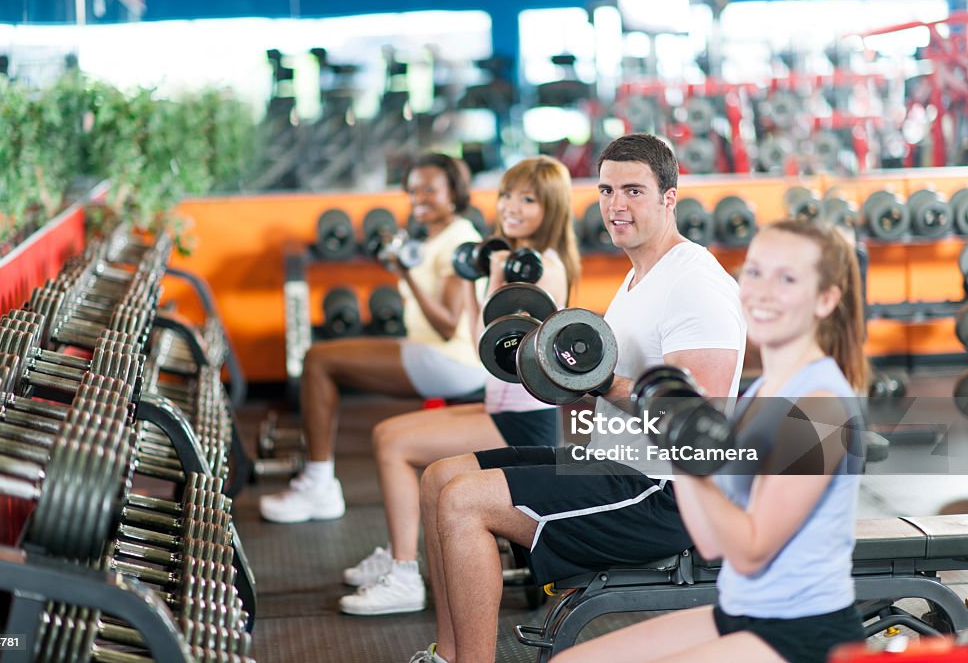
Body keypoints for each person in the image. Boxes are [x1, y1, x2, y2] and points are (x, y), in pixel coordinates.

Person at [408, 134, 747, 663]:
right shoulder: (638, 277)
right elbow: (605, 391)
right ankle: (447, 656)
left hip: (666, 493)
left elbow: (695, 420)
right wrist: (559, 379)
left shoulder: (695, 283)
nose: (616, 205)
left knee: (465, 501)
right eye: (607, 190)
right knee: (439, 479)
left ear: (669, 198)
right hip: (617, 464)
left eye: (633, 191)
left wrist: (603, 384)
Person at [552, 218, 868, 663]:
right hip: (741, 612)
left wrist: (689, 456)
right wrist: (679, 443)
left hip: (801, 634)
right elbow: (712, 542)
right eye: (755, 271)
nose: (762, 290)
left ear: (826, 299)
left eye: (788, 278)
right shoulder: (763, 393)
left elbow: (752, 551)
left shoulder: (818, 405)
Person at [338, 155, 582, 616]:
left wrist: (492, 278)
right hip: (501, 408)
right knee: (386, 433)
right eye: (507, 195)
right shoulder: (511, 262)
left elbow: (512, 360)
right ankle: (397, 555)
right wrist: (480, 283)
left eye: (527, 199)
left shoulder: (544, 269)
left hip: (525, 422)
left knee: (395, 447)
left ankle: (406, 576)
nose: (511, 206)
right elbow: (481, 346)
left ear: (550, 208)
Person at [260, 153, 487, 524]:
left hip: (451, 359)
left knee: (318, 361)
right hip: (431, 351)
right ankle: (318, 481)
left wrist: (407, 274)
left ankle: (319, 485)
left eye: (429, 189)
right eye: (412, 190)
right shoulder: (436, 237)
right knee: (320, 359)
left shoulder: (459, 239)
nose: (418, 198)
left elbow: (448, 323)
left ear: (454, 193)